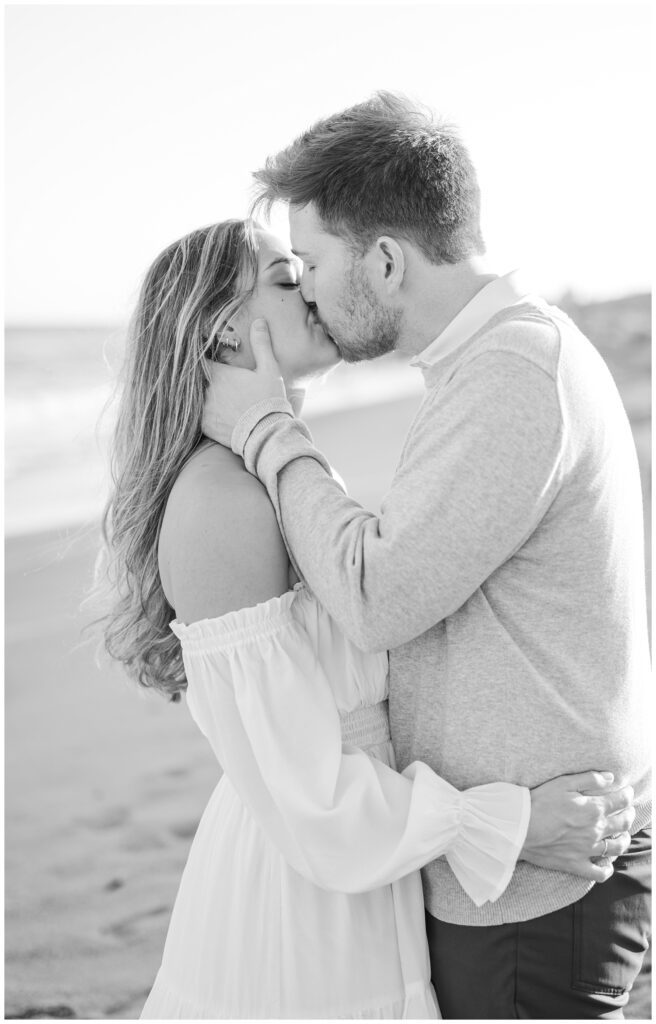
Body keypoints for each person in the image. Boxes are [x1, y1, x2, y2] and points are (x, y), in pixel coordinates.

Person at [201, 93, 652, 1019]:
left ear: (387, 259)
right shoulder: (487, 365)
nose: (313, 292)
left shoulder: (510, 374)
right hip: (510, 862)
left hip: (540, 884)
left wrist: (269, 433)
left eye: (314, 264)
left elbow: (377, 595)